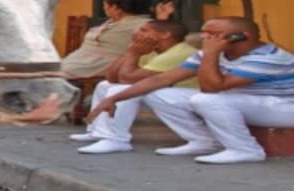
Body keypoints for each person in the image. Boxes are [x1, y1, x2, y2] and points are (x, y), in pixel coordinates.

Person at [86, 16, 294, 164]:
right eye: (205, 33)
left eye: (214, 34)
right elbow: (163, 78)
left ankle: (245, 150)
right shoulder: (211, 52)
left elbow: (211, 87)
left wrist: (211, 54)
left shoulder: (268, 57)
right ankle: (203, 141)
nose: (205, 38)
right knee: (156, 92)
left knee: (206, 100)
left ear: (243, 36)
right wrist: (115, 99)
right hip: (249, 102)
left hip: (284, 106)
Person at [69, 19, 196, 153]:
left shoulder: (178, 53)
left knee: (122, 89)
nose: (136, 33)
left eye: (144, 30)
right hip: (165, 92)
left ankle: (116, 139)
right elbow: (112, 77)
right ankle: (99, 132)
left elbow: (126, 80)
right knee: (105, 85)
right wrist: (130, 50)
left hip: (185, 94)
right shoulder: (151, 50)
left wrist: (133, 53)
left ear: (165, 35)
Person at [61, 0, 153, 78]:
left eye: (106, 6)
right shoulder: (111, 22)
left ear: (116, 8)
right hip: (82, 59)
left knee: (56, 74)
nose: (104, 8)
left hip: (105, 62)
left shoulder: (142, 24)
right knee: (52, 70)